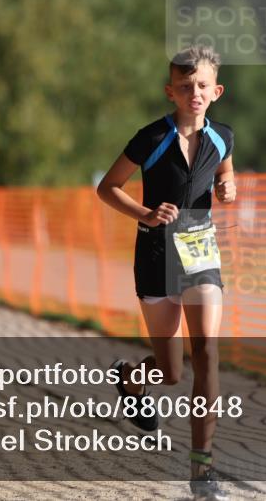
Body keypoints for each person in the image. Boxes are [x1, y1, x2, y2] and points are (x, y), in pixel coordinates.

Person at [97, 45, 235, 501]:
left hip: (200, 254)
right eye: (184, 86)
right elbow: (107, 187)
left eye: (201, 86)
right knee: (171, 372)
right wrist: (145, 211)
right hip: (155, 253)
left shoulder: (223, 138)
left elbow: (224, 173)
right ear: (170, 91)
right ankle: (132, 379)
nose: (193, 93)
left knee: (207, 354)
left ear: (215, 91)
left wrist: (227, 186)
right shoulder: (151, 138)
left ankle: (202, 470)